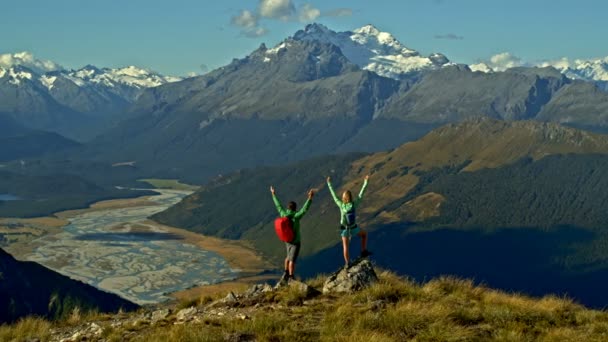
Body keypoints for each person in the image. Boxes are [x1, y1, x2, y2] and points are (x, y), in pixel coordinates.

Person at [270, 186, 314, 283]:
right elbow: (304, 210)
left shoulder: (283, 214)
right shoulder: (296, 216)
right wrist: (310, 198)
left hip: (287, 241)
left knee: (288, 257)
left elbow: (278, 206)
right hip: (295, 242)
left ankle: (285, 273)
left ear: (288, 208)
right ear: (295, 209)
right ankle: (291, 276)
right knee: (292, 260)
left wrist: (273, 194)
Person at [326, 175, 371, 269]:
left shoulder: (341, 205)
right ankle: (363, 251)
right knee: (364, 234)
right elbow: (361, 194)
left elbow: (334, 195)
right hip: (354, 228)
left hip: (344, 229)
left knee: (345, 247)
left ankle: (347, 263)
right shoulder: (354, 204)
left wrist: (329, 184)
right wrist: (365, 182)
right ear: (350, 197)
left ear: (343, 198)